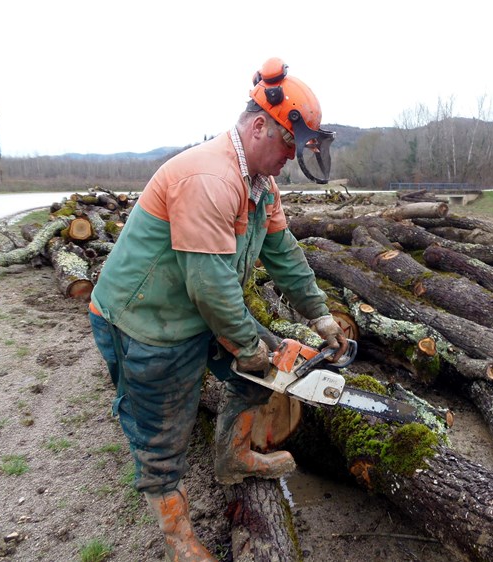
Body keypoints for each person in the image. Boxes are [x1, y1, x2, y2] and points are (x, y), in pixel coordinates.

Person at [87, 57, 348, 561]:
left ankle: (234, 458)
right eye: (286, 147)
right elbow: (209, 285)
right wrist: (248, 346)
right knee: (162, 427)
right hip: (146, 320)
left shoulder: (261, 185)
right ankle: (179, 541)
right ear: (258, 127)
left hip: (200, 306)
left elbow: (284, 254)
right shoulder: (209, 177)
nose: (288, 161)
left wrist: (319, 316)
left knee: (264, 369)